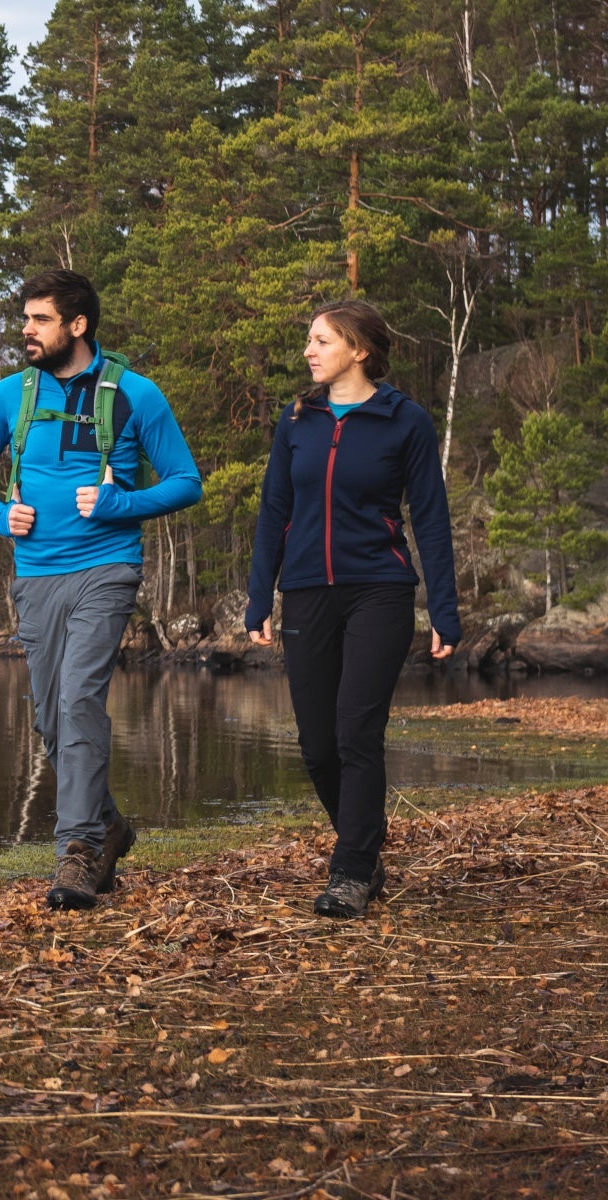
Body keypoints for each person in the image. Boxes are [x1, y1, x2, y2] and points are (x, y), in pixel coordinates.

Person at [0, 269, 202, 910]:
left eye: (40, 320)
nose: (27, 331)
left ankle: (79, 852)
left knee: (77, 700)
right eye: (26, 319)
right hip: (36, 575)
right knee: (48, 718)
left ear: (77, 325)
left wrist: (122, 501)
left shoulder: (136, 395)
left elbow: (184, 481)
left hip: (106, 568)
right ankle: (111, 825)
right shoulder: (9, 395)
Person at [244, 299, 460, 920]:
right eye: (309, 341)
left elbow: (433, 522)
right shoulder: (296, 421)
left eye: (321, 341)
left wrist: (442, 609)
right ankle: (363, 841)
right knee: (316, 746)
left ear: (359, 350)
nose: (308, 351)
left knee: (356, 732)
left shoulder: (404, 421)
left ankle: (353, 868)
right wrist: (261, 595)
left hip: (379, 591)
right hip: (307, 591)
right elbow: (274, 514)